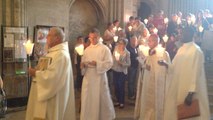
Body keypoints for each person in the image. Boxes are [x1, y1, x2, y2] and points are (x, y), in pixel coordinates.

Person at [26, 27, 76, 120]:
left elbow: (54, 76)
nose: (46, 37)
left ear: (57, 38)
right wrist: (37, 69)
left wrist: (36, 73)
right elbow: (45, 70)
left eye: (49, 35)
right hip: (46, 94)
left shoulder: (61, 55)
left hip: (53, 97)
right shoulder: (52, 53)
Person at [163, 26, 210, 120]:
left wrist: (191, 92)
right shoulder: (181, 49)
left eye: (182, 33)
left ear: (190, 34)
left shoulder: (196, 50)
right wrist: (166, 64)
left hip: (190, 90)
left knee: (191, 115)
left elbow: (196, 72)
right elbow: (174, 67)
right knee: (178, 113)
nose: (180, 35)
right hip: (179, 85)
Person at [80, 28, 115, 120]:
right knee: (88, 98)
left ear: (99, 37)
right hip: (88, 77)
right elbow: (83, 63)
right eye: (91, 38)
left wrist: (97, 63)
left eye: (95, 37)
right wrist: (82, 65)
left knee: (99, 98)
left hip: (99, 77)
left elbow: (109, 63)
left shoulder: (104, 49)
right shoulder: (87, 49)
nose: (93, 40)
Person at [134, 34, 171, 120]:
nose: (148, 43)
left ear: (156, 41)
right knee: (146, 100)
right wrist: (144, 65)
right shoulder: (147, 52)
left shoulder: (163, 53)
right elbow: (146, 65)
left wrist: (161, 66)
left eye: (150, 41)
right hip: (147, 79)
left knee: (155, 102)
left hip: (157, 82)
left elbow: (168, 68)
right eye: (148, 41)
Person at [112, 38, 131, 109]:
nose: (119, 45)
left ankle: (122, 102)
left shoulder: (127, 53)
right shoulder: (116, 49)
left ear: (125, 45)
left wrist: (122, 63)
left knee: (121, 86)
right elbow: (112, 57)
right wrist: (115, 59)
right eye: (119, 43)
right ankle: (118, 100)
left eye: (121, 43)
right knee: (116, 86)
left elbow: (129, 63)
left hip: (122, 72)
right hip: (115, 70)